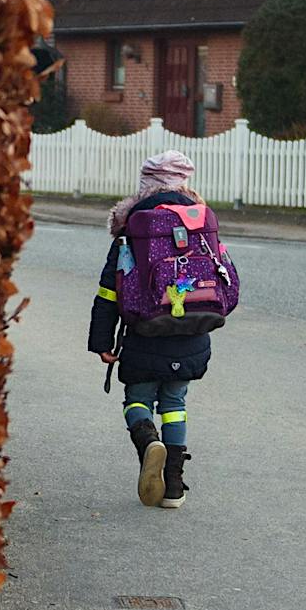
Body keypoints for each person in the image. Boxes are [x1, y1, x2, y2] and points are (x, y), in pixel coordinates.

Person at [88, 150, 216, 510]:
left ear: (145, 185)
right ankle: (173, 486)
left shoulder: (132, 227)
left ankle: (148, 444)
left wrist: (102, 341)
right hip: (191, 331)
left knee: (137, 400)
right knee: (175, 404)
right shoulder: (200, 223)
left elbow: (109, 292)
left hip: (144, 333)